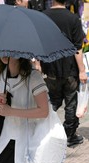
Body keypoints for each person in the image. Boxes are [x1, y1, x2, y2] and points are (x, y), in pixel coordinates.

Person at [40, 0, 88, 147]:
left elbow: (40, 43)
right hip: (70, 69)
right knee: (71, 103)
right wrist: (82, 70)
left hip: (50, 68)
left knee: (53, 102)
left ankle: (46, 132)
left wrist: (38, 65)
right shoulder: (73, 18)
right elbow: (77, 48)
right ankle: (69, 135)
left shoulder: (43, 16)